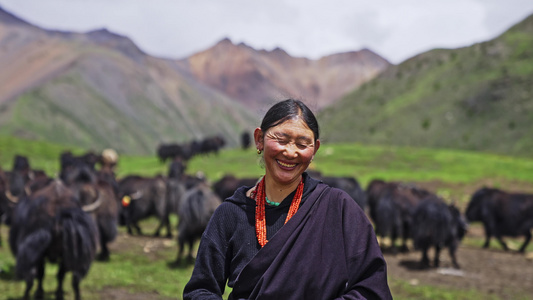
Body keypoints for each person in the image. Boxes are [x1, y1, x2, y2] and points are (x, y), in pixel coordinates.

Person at [183, 99, 392, 299]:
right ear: (259, 139)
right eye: (281, 140)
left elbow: (372, 289)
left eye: (302, 144)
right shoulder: (230, 214)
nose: (290, 152)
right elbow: (200, 290)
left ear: (315, 150)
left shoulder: (339, 209)